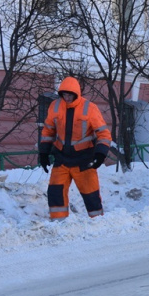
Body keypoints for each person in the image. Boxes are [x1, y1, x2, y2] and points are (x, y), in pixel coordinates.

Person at [39, 77, 113, 219]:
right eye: (64, 95)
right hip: (61, 158)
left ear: (76, 93)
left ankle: (97, 224)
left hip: (84, 160)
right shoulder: (55, 106)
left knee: (91, 195)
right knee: (55, 192)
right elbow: (48, 131)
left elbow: (103, 133)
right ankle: (58, 224)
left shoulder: (89, 108)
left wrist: (100, 154)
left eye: (69, 95)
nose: (66, 98)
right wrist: (43, 153)